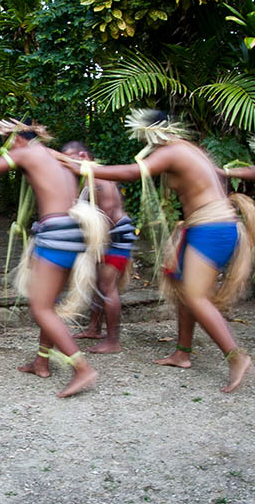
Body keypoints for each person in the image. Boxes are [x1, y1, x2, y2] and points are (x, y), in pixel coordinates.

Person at [60, 109, 255, 393]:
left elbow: (131, 172)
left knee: (195, 297)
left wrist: (83, 168)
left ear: (152, 133)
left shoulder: (173, 151)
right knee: (181, 291)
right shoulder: (190, 150)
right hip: (202, 227)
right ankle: (182, 353)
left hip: (211, 229)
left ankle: (236, 356)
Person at [0, 119, 105, 398]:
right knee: (50, 305)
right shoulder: (53, 156)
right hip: (72, 233)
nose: (8, 147)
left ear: (17, 138)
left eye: (8, 141)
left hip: (56, 235)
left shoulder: (26, 151)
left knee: (41, 309)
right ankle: (42, 362)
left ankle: (82, 368)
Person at [62, 141, 136, 354]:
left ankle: (113, 341)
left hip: (115, 236)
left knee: (107, 287)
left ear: (83, 155)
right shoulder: (88, 178)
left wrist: (93, 239)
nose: (67, 164)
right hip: (103, 237)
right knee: (96, 284)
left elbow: (109, 214)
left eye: (69, 158)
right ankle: (94, 329)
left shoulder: (99, 177)